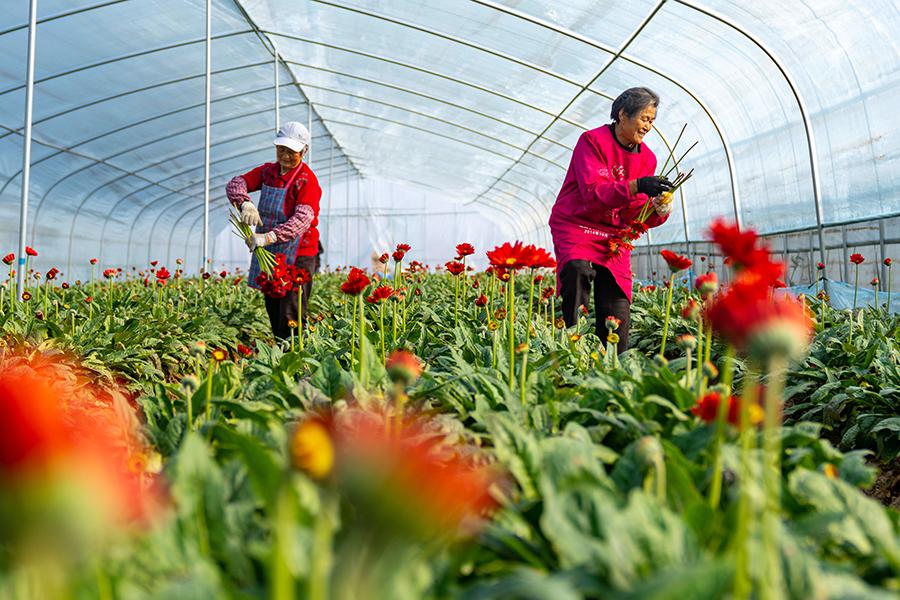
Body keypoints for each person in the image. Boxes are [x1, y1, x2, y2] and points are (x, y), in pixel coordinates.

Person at [549, 87, 673, 353]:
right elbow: (593, 193)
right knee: (578, 269)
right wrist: (637, 185)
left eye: (652, 121)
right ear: (622, 114)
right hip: (577, 222)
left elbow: (633, 213)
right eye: (644, 119)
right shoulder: (592, 141)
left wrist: (657, 209)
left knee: (617, 305)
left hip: (614, 233)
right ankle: (573, 347)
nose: (648, 127)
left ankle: (612, 366)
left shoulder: (648, 158)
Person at [226, 121, 321, 339]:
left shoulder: (307, 181)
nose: (286, 156)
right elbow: (236, 183)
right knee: (273, 305)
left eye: (292, 152)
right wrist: (244, 203)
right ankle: (281, 352)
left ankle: (297, 360)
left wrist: (268, 237)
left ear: (304, 151)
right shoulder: (268, 172)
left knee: (291, 311)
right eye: (281, 150)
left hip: (299, 254)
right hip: (271, 251)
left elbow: (302, 219)